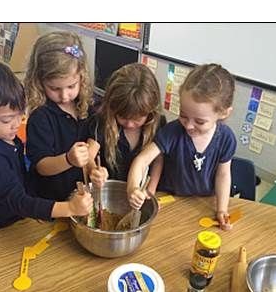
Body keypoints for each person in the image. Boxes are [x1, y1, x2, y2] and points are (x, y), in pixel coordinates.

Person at [0, 58, 92, 235]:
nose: (16, 124)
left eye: (20, 115)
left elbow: (22, 182)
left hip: (21, 216)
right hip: (0, 229)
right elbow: (18, 201)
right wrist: (69, 208)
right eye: (6, 120)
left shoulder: (6, 137)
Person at [127, 64, 237, 229]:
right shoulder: (171, 132)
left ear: (223, 113)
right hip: (169, 201)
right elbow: (142, 160)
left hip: (203, 204)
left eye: (199, 121)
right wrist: (133, 188)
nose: (189, 126)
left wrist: (222, 209)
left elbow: (223, 175)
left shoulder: (226, 138)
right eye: (183, 115)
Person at [23, 31, 98, 201]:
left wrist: (94, 170)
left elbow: (91, 144)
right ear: (39, 81)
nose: (64, 96)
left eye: (71, 86)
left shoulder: (86, 104)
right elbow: (42, 166)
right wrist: (69, 159)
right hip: (51, 199)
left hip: (79, 194)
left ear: (82, 77)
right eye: (55, 88)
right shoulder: (40, 117)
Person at [84, 63, 165, 189]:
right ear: (112, 107)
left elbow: (158, 160)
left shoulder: (157, 123)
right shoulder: (102, 121)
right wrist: (94, 170)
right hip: (110, 191)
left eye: (137, 119)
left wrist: (150, 190)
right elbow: (88, 156)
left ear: (151, 112)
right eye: (122, 117)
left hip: (140, 191)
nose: (129, 124)